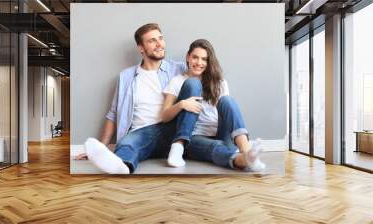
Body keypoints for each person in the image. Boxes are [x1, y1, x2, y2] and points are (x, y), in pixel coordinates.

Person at [75, 23, 201, 174]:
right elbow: (113, 113)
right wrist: (102, 146)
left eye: (161, 38)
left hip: (172, 130)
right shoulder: (126, 77)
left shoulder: (180, 69)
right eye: (152, 40)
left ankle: (178, 147)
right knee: (127, 144)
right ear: (141, 48)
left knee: (193, 84)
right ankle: (123, 167)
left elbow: (204, 83)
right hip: (140, 133)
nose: (159, 44)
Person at [161, 39, 265, 171]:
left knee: (228, 100)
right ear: (188, 57)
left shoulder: (220, 83)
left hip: (222, 135)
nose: (199, 63)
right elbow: (164, 116)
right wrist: (182, 104)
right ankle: (243, 160)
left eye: (204, 59)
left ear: (209, 62)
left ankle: (247, 152)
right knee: (192, 83)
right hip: (194, 139)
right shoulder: (177, 81)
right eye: (195, 57)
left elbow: (227, 112)